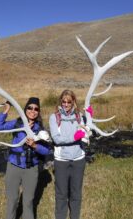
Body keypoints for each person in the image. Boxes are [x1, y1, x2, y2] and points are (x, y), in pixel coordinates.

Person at [0, 97, 50, 219]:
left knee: (28, 202)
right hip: (14, 166)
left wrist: (35, 146)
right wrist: (6, 109)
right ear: (25, 109)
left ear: (38, 112)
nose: (32, 110)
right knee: (12, 200)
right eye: (30, 107)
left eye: (36, 109)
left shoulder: (40, 130)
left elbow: (46, 150)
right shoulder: (17, 123)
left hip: (31, 169)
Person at [49, 90, 88, 219]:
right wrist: (75, 136)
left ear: (73, 102)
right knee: (61, 194)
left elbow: (85, 134)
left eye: (69, 101)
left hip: (78, 160)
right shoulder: (54, 117)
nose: (66, 104)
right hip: (62, 161)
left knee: (76, 194)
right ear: (61, 101)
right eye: (63, 101)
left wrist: (89, 120)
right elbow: (57, 139)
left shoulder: (79, 116)